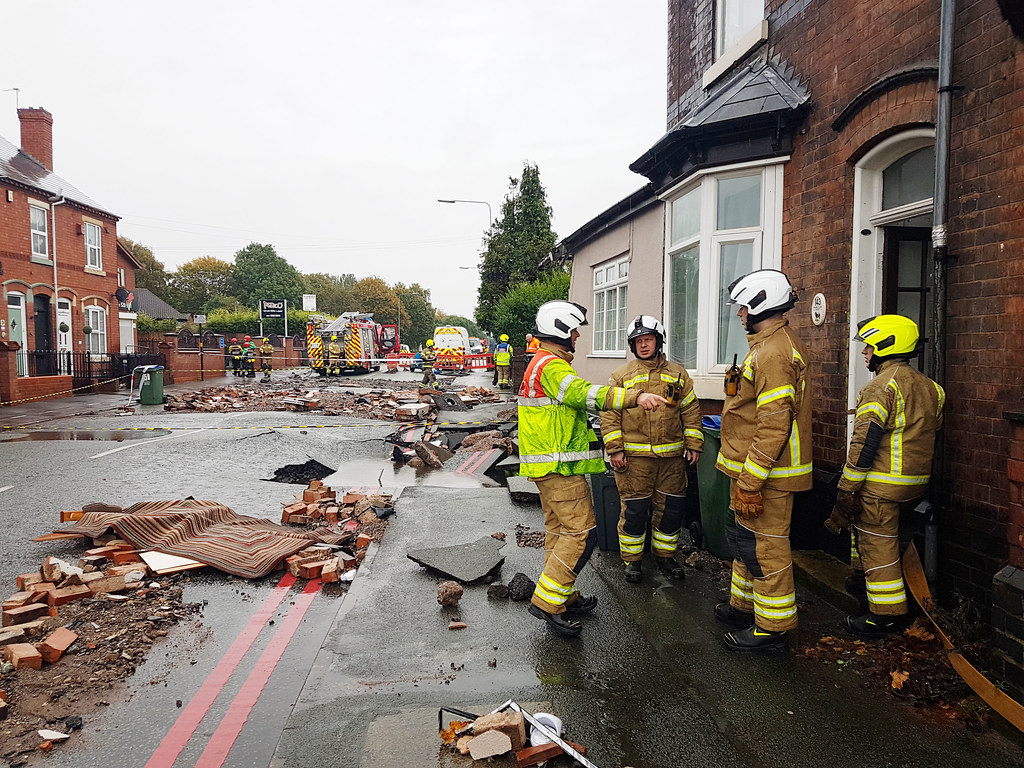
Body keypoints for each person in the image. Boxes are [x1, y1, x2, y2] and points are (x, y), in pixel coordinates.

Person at [519, 300, 667, 638]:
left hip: (550, 467)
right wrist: (635, 397)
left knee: (559, 533)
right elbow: (585, 394)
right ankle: (547, 602)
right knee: (581, 535)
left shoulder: (539, 362)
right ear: (560, 332)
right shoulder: (552, 366)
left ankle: (563, 595)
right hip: (559, 468)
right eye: (573, 332)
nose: (576, 338)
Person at [825, 315, 944, 637]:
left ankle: (885, 616)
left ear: (885, 345)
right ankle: (864, 586)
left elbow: (864, 445)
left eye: (869, 345)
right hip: (915, 486)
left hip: (881, 486)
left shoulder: (880, 387)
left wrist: (847, 488)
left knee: (878, 547)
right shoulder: (931, 387)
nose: (864, 351)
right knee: (892, 542)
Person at [713, 269, 812, 652]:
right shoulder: (766, 345)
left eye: (742, 308)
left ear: (759, 305)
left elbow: (773, 426)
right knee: (745, 542)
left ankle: (772, 630)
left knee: (766, 549)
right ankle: (745, 607)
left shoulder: (773, 353)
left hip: (768, 474)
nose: (739, 315)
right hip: (752, 469)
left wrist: (751, 481)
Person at [600, 315, 703, 584]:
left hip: (671, 460)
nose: (643, 345)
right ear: (632, 346)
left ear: (658, 341)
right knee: (634, 512)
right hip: (635, 461)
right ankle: (632, 562)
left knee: (671, 512)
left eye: (648, 339)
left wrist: (694, 443)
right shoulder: (621, 376)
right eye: (638, 341)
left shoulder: (678, 375)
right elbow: (609, 414)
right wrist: (615, 450)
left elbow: (690, 411)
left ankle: (665, 558)